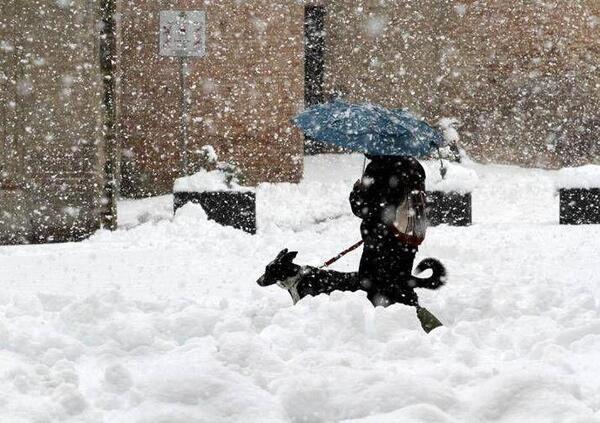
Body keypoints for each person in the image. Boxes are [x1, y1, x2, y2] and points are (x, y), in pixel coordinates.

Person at [349, 154, 427, 308]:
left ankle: (381, 325)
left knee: (373, 290)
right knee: (400, 285)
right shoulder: (414, 166)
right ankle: (410, 319)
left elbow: (365, 209)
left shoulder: (377, 167)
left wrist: (356, 193)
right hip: (406, 236)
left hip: (379, 241)